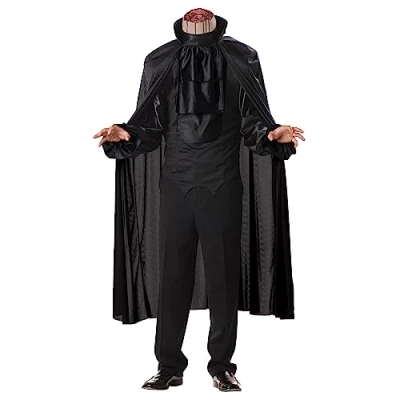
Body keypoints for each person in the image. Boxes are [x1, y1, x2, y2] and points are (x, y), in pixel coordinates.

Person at [93, 8, 305, 392]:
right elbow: (149, 125)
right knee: (172, 278)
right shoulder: (160, 60)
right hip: (176, 186)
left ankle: (221, 366)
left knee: (224, 279)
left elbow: (252, 121)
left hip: (222, 185)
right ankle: (168, 365)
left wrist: (270, 134)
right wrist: (127, 132)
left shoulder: (241, 58)